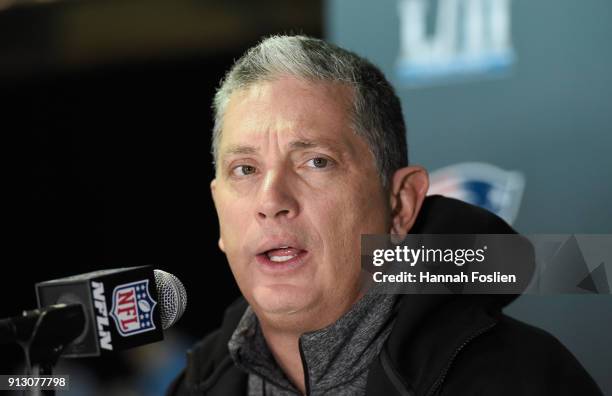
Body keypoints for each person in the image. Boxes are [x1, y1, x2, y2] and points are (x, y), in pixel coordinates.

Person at [167, 35, 601, 395]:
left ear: (401, 203)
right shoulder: (193, 387)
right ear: (218, 209)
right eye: (245, 170)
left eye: (316, 162)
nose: (271, 199)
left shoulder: (523, 379)